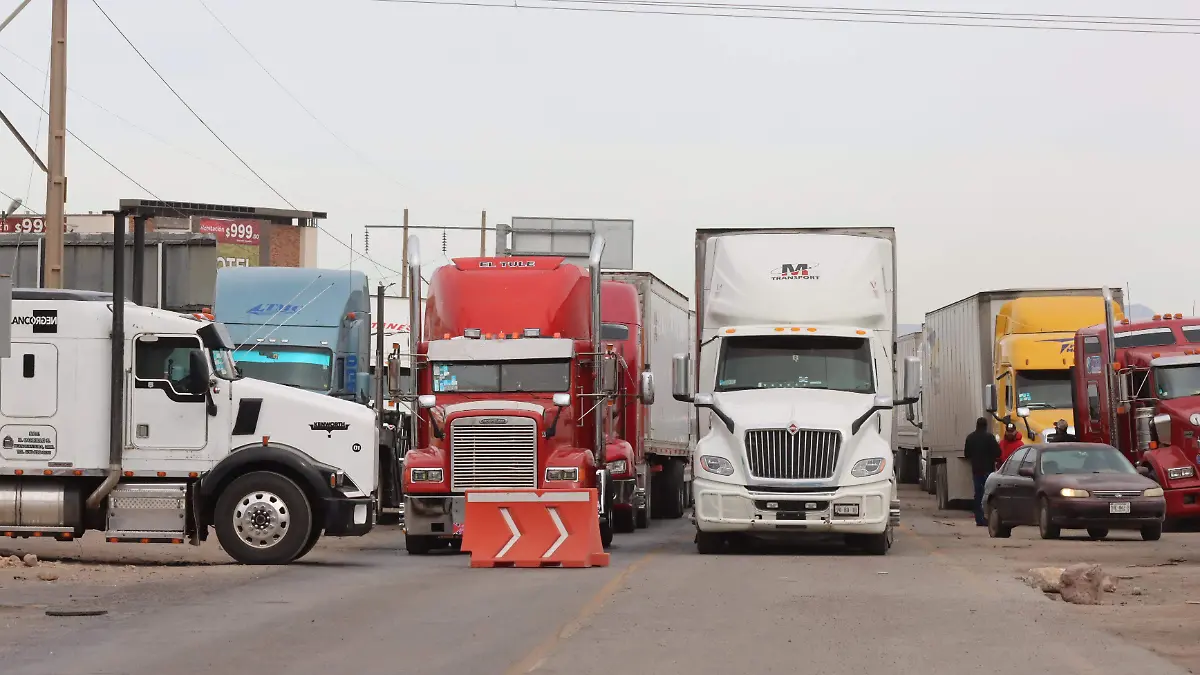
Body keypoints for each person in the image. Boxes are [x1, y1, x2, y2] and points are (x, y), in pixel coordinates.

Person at [963, 416, 1001, 526]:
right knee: (988, 494)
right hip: (988, 470)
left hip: (976, 470)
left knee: (978, 495)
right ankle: (989, 518)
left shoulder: (970, 437)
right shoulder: (990, 438)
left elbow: (967, 454)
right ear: (986, 426)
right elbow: (998, 453)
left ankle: (979, 519)